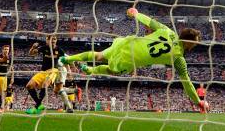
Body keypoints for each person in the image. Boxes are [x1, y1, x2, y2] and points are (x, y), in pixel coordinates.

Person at [60, 8, 207, 112]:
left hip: (127, 42)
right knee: (113, 70)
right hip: (129, 58)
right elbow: (186, 82)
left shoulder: (168, 31)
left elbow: (150, 22)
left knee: (99, 55)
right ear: (188, 41)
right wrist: (197, 101)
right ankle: (90, 70)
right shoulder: (179, 59)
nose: (195, 45)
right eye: (195, 42)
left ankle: (68, 59)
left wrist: (136, 13)